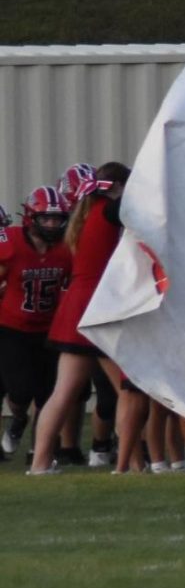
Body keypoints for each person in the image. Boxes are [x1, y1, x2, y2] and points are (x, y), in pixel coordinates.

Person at [30, 162, 148, 475]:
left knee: (63, 391)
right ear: (119, 187)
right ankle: (131, 464)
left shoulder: (84, 214)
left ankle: (40, 463)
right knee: (128, 390)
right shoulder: (107, 210)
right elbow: (147, 199)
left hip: (77, 305)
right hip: (98, 307)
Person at [0, 188, 72, 460]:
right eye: (46, 219)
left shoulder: (67, 247)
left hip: (49, 328)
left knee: (46, 394)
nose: (53, 224)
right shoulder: (11, 242)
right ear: (32, 217)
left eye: (57, 219)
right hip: (12, 328)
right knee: (19, 391)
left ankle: (39, 451)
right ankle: (18, 419)